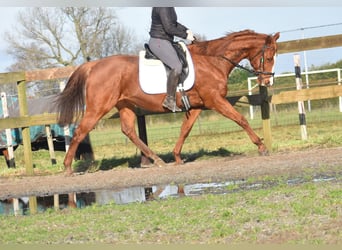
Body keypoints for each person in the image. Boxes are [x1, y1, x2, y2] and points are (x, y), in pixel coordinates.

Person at [148, 7, 195, 112]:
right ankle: (169, 100)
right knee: (177, 66)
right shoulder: (163, 6)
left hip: (165, 41)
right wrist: (185, 35)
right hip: (159, 41)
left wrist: (186, 29)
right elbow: (169, 28)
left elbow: (173, 23)